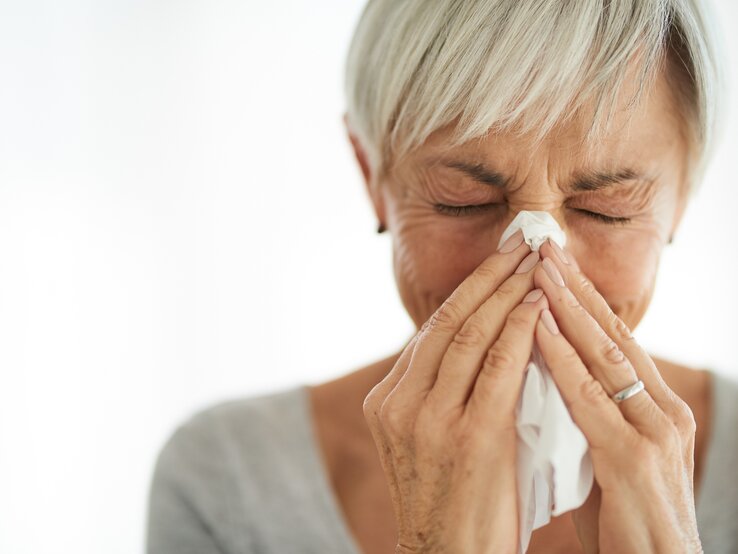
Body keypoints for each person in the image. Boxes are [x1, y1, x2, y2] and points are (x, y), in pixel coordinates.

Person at [146, 1, 738, 552]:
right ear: (372, 177)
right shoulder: (228, 479)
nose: (538, 271)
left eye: (604, 208)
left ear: (682, 197)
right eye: (465, 200)